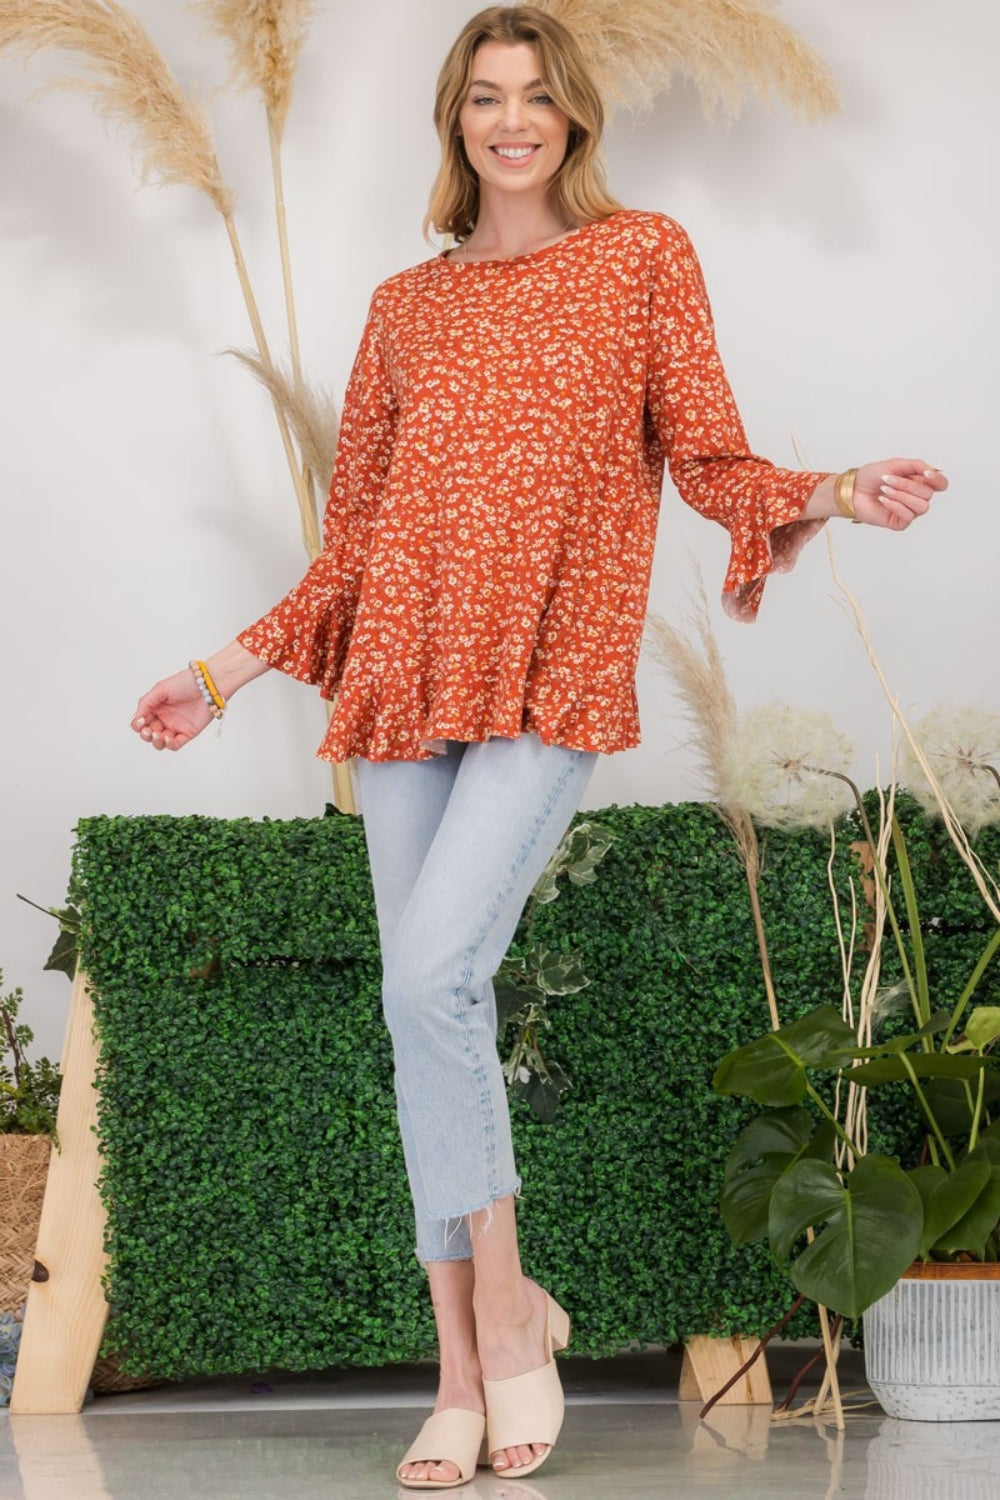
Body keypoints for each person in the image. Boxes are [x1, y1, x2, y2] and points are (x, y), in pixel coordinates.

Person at [131, 4, 948, 1488]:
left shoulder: (642, 261)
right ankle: (463, 1366)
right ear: (455, 121)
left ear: (573, 116)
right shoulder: (405, 307)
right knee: (421, 1009)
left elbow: (710, 457)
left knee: (430, 977)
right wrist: (222, 671)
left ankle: (511, 1322)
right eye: (486, 97)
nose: (514, 120)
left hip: (545, 684)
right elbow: (357, 547)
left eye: (538, 95)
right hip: (398, 691)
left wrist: (831, 486)